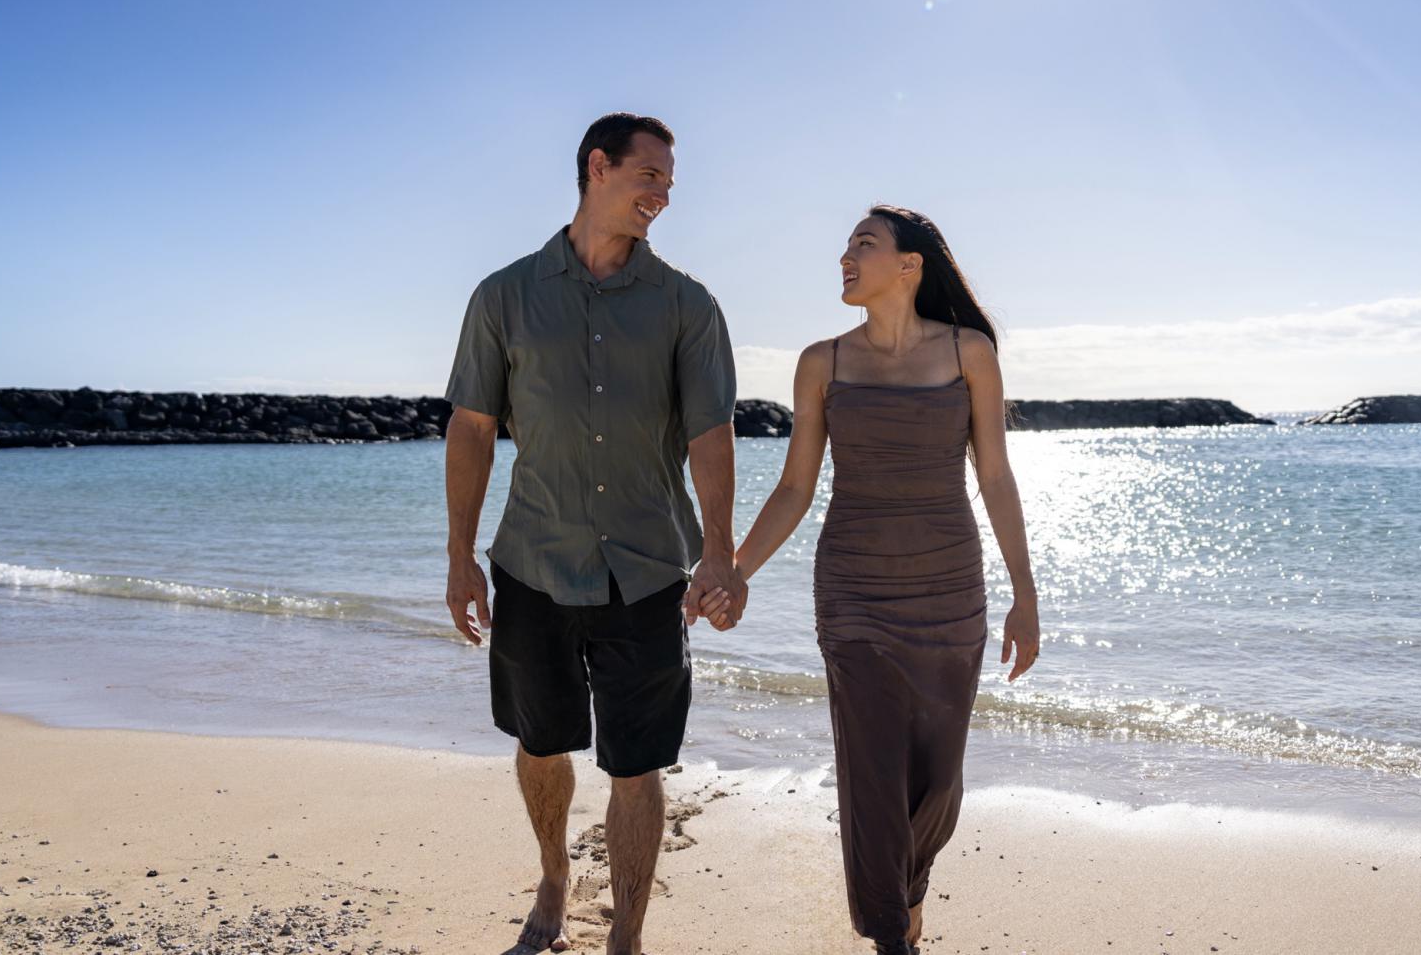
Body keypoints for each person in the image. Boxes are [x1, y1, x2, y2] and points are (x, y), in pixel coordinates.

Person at [441, 112, 744, 955]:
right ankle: (553, 877)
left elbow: (710, 435)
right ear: (597, 167)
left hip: (647, 570)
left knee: (637, 762)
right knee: (540, 744)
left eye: (670, 184)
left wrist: (719, 549)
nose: (662, 194)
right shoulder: (505, 295)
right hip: (534, 563)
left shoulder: (687, 304)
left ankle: (628, 936)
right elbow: (471, 427)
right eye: (650, 176)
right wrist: (460, 557)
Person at [701, 204, 1040, 955]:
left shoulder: (968, 352)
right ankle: (892, 935)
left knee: (939, 782)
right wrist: (735, 570)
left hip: (950, 593)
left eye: (864, 244)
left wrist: (1026, 592)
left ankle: (906, 892)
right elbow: (795, 487)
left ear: (910, 265)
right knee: (872, 773)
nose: (845, 256)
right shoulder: (823, 362)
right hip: (853, 594)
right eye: (848, 245)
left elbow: (994, 474)